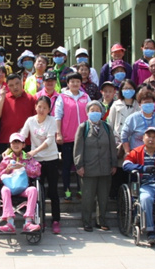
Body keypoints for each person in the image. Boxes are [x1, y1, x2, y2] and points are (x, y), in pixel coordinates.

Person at [74, 101, 118, 232]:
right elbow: (78, 148)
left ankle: (101, 221)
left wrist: (114, 164)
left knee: (103, 197)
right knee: (87, 197)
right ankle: (87, 221)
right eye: (92, 110)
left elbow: (112, 146)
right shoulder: (83, 127)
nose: (95, 112)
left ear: (102, 112)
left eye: (97, 110)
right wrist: (79, 165)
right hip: (88, 168)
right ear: (87, 112)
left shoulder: (107, 127)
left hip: (105, 168)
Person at [21, 96, 62, 234]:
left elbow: (49, 141)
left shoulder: (52, 121)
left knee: (53, 191)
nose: (41, 110)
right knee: (38, 191)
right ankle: (40, 218)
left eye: (45, 107)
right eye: (39, 107)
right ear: (35, 107)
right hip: (36, 162)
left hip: (51, 159)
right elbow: (22, 136)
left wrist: (34, 151)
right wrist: (11, 149)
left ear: (49, 109)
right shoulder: (30, 120)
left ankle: (56, 220)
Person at [54, 72, 91, 201]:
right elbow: (58, 116)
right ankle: (67, 190)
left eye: (77, 81)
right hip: (68, 137)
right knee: (67, 165)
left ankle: (81, 190)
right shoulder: (62, 97)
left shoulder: (86, 97)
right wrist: (59, 133)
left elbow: (90, 114)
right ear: (68, 83)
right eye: (72, 81)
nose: (75, 84)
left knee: (81, 165)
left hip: (83, 137)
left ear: (81, 83)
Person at [0, 133, 42, 234]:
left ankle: (28, 222)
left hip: (23, 188)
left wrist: (24, 167)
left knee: (33, 190)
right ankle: (10, 223)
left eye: (18, 142)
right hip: (10, 187)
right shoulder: (6, 159)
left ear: (23, 145)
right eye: (13, 142)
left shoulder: (28, 158)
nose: (16, 145)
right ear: (10, 145)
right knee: (4, 190)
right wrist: (7, 170)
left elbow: (37, 171)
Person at [0, 73, 37, 155]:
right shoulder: (4, 98)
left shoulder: (31, 99)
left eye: (17, 83)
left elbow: (36, 120)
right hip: (5, 140)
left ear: (22, 83)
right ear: (7, 87)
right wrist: (2, 98)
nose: (15, 87)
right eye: (11, 85)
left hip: (25, 141)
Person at [121, 88, 155, 153]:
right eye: (145, 103)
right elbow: (124, 135)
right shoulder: (132, 118)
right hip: (136, 154)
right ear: (140, 104)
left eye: (150, 102)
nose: (148, 104)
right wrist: (127, 152)